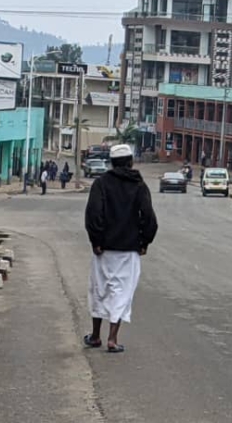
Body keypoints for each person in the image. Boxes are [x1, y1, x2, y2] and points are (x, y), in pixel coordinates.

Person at [84, 144, 158, 353]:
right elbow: (149, 218)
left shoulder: (101, 184)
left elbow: (93, 214)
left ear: (112, 162)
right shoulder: (139, 186)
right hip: (129, 250)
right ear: (130, 162)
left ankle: (96, 336)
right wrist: (144, 242)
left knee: (99, 289)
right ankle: (112, 339)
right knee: (122, 293)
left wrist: (95, 240)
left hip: (104, 249)